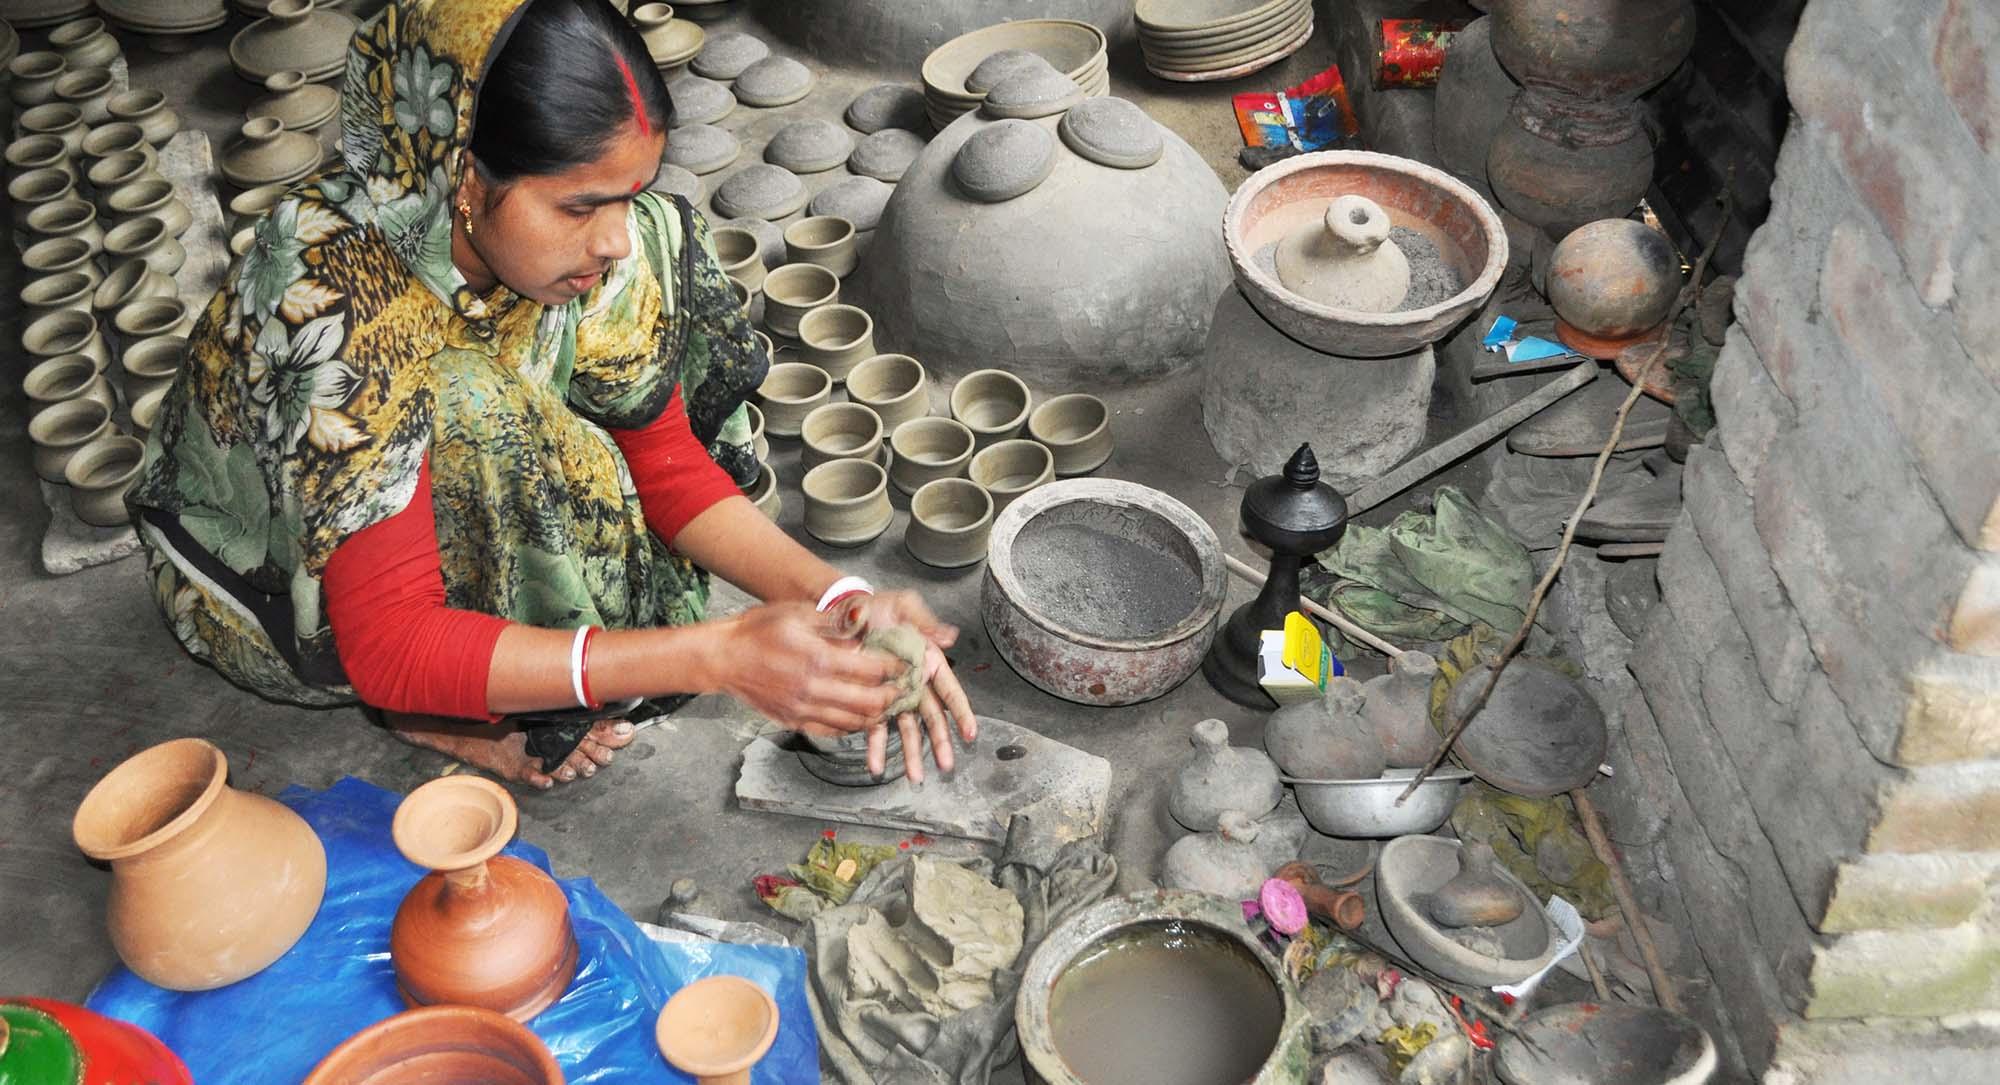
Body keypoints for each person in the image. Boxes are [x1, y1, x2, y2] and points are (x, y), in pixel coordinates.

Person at [128, 0, 973, 790]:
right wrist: (715, 654)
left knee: (576, 435)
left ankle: (502, 666)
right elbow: (387, 640)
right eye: (579, 205)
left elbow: (667, 464)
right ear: (464, 174)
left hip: (452, 495)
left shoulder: (602, 246)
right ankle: (431, 712)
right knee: (468, 401)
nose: (612, 238)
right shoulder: (339, 300)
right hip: (282, 578)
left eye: (629, 196)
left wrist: (837, 597)